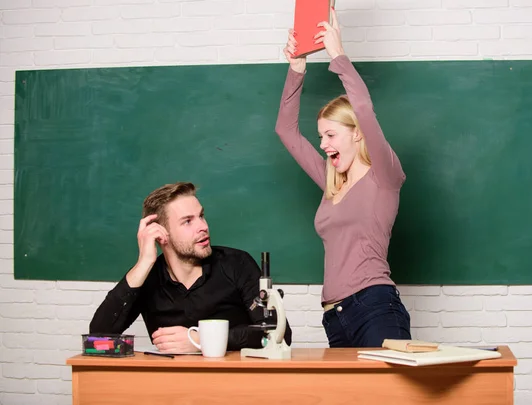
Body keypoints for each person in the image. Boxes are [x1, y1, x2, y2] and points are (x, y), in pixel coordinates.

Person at [274, 10, 411, 347]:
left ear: (358, 135)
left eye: (331, 135)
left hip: (375, 307)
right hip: (335, 318)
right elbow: (286, 131)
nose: (323, 145)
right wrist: (296, 66)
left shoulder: (385, 176)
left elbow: (364, 109)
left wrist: (338, 54)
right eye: (321, 137)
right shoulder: (331, 181)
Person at [89, 182, 292, 353]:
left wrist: (201, 341)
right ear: (161, 234)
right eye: (187, 221)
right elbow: (98, 339)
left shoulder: (237, 264)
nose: (203, 226)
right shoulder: (148, 278)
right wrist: (143, 263)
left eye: (201, 216)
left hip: (236, 387)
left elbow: (279, 334)